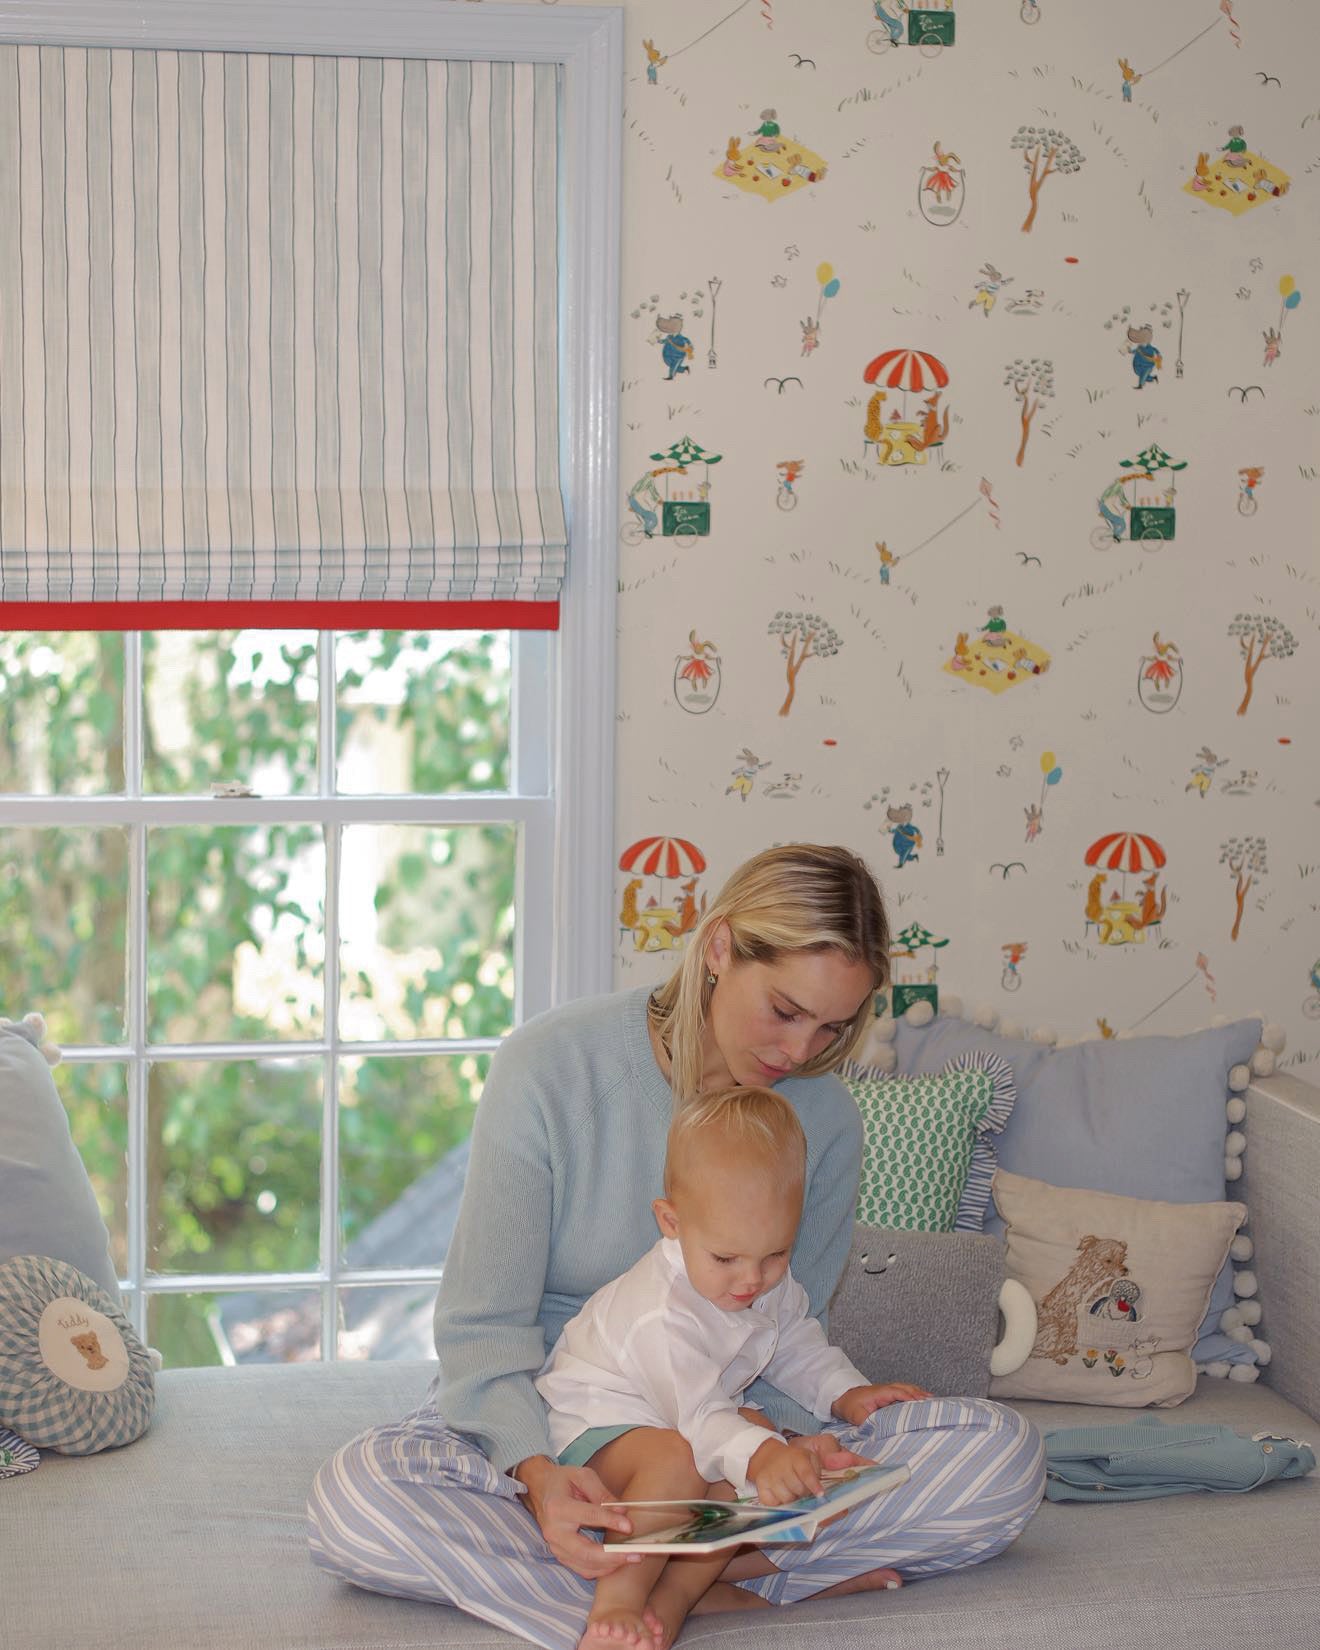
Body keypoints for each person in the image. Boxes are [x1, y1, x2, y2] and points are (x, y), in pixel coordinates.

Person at [307, 844, 1045, 1650]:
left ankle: (639, 1584)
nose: (800, 1053)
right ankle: (714, 1586)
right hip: (561, 1415)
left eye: (833, 1026)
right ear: (720, 948)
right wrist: (539, 1477)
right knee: (358, 1503)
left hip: (731, 1421)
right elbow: (483, 1336)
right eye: (785, 1011)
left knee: (1002, 1458)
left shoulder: (825, 1118)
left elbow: (787, 1324)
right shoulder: (551, 1067)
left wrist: (790, 1455)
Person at [536, 1085, 931, 1648]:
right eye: (726, 1258)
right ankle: (618, 1603)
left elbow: (795, 1342)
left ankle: (676, 1598)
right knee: (692, 1457)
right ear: (671, 1222)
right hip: (595, 1427)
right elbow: (699, 1419)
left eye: (775, 1255)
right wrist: (761, 1454)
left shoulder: (760, 1278)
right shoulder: (660, 1313)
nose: (751, 1280)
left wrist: (847, 1394)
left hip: (687, 1420)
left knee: (762, 1449)